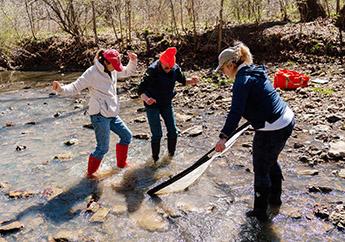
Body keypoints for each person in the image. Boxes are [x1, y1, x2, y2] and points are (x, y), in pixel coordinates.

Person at [214, 41, 295, 222]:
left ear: (230, 65)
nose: (223, 73)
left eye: (222, 69)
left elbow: (236, 112)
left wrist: (223, 137)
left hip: (273, 127)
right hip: (287, 118)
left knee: (261, 167)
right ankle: (275, 200)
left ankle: (260, 213)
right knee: (270, 159)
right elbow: (257, 101)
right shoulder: (255, 70)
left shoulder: (242, 81)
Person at [52, 49, 137, 178]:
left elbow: (126, 71)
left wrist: (133, 60)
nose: (115, 68)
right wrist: (61, 89)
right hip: (99, 115)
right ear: (104, 62)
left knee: (126, 136)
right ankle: (90, 176)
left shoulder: (113, 69)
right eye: (113, 65)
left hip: (112, 113)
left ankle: (121, 164)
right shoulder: (92, 73)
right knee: (103, 148)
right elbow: (75, 87)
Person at [137, 47, 198, 162]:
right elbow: (140, 90)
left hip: (166, 103)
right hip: (152, 105)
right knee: (157, 134)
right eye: (166, 67)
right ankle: (155, 160)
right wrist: (146, 99)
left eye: (171, 67)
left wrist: (192, 81)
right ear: (161, 61)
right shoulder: (152, 70)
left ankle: (170, 157)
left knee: (173, 132)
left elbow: (184, 81)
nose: (169, 70)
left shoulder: (175, 68)